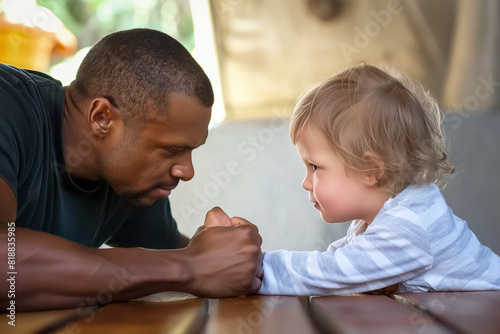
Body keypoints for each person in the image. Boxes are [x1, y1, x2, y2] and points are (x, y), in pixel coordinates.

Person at [0, 28, 263, 311]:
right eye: (173, 150)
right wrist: (189, 266)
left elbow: (166, 259)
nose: (187, 172)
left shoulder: (128, 182)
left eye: (191, 151)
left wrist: (226, 256)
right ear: (102, 118)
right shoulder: (9, 107)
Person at [209, 64, 500, 295]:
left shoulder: (409, 226)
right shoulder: (383, 218)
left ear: (370, 169)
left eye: (314, 167)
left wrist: (256, 269)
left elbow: (333, 273)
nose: (305, 182)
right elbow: (346, 266)